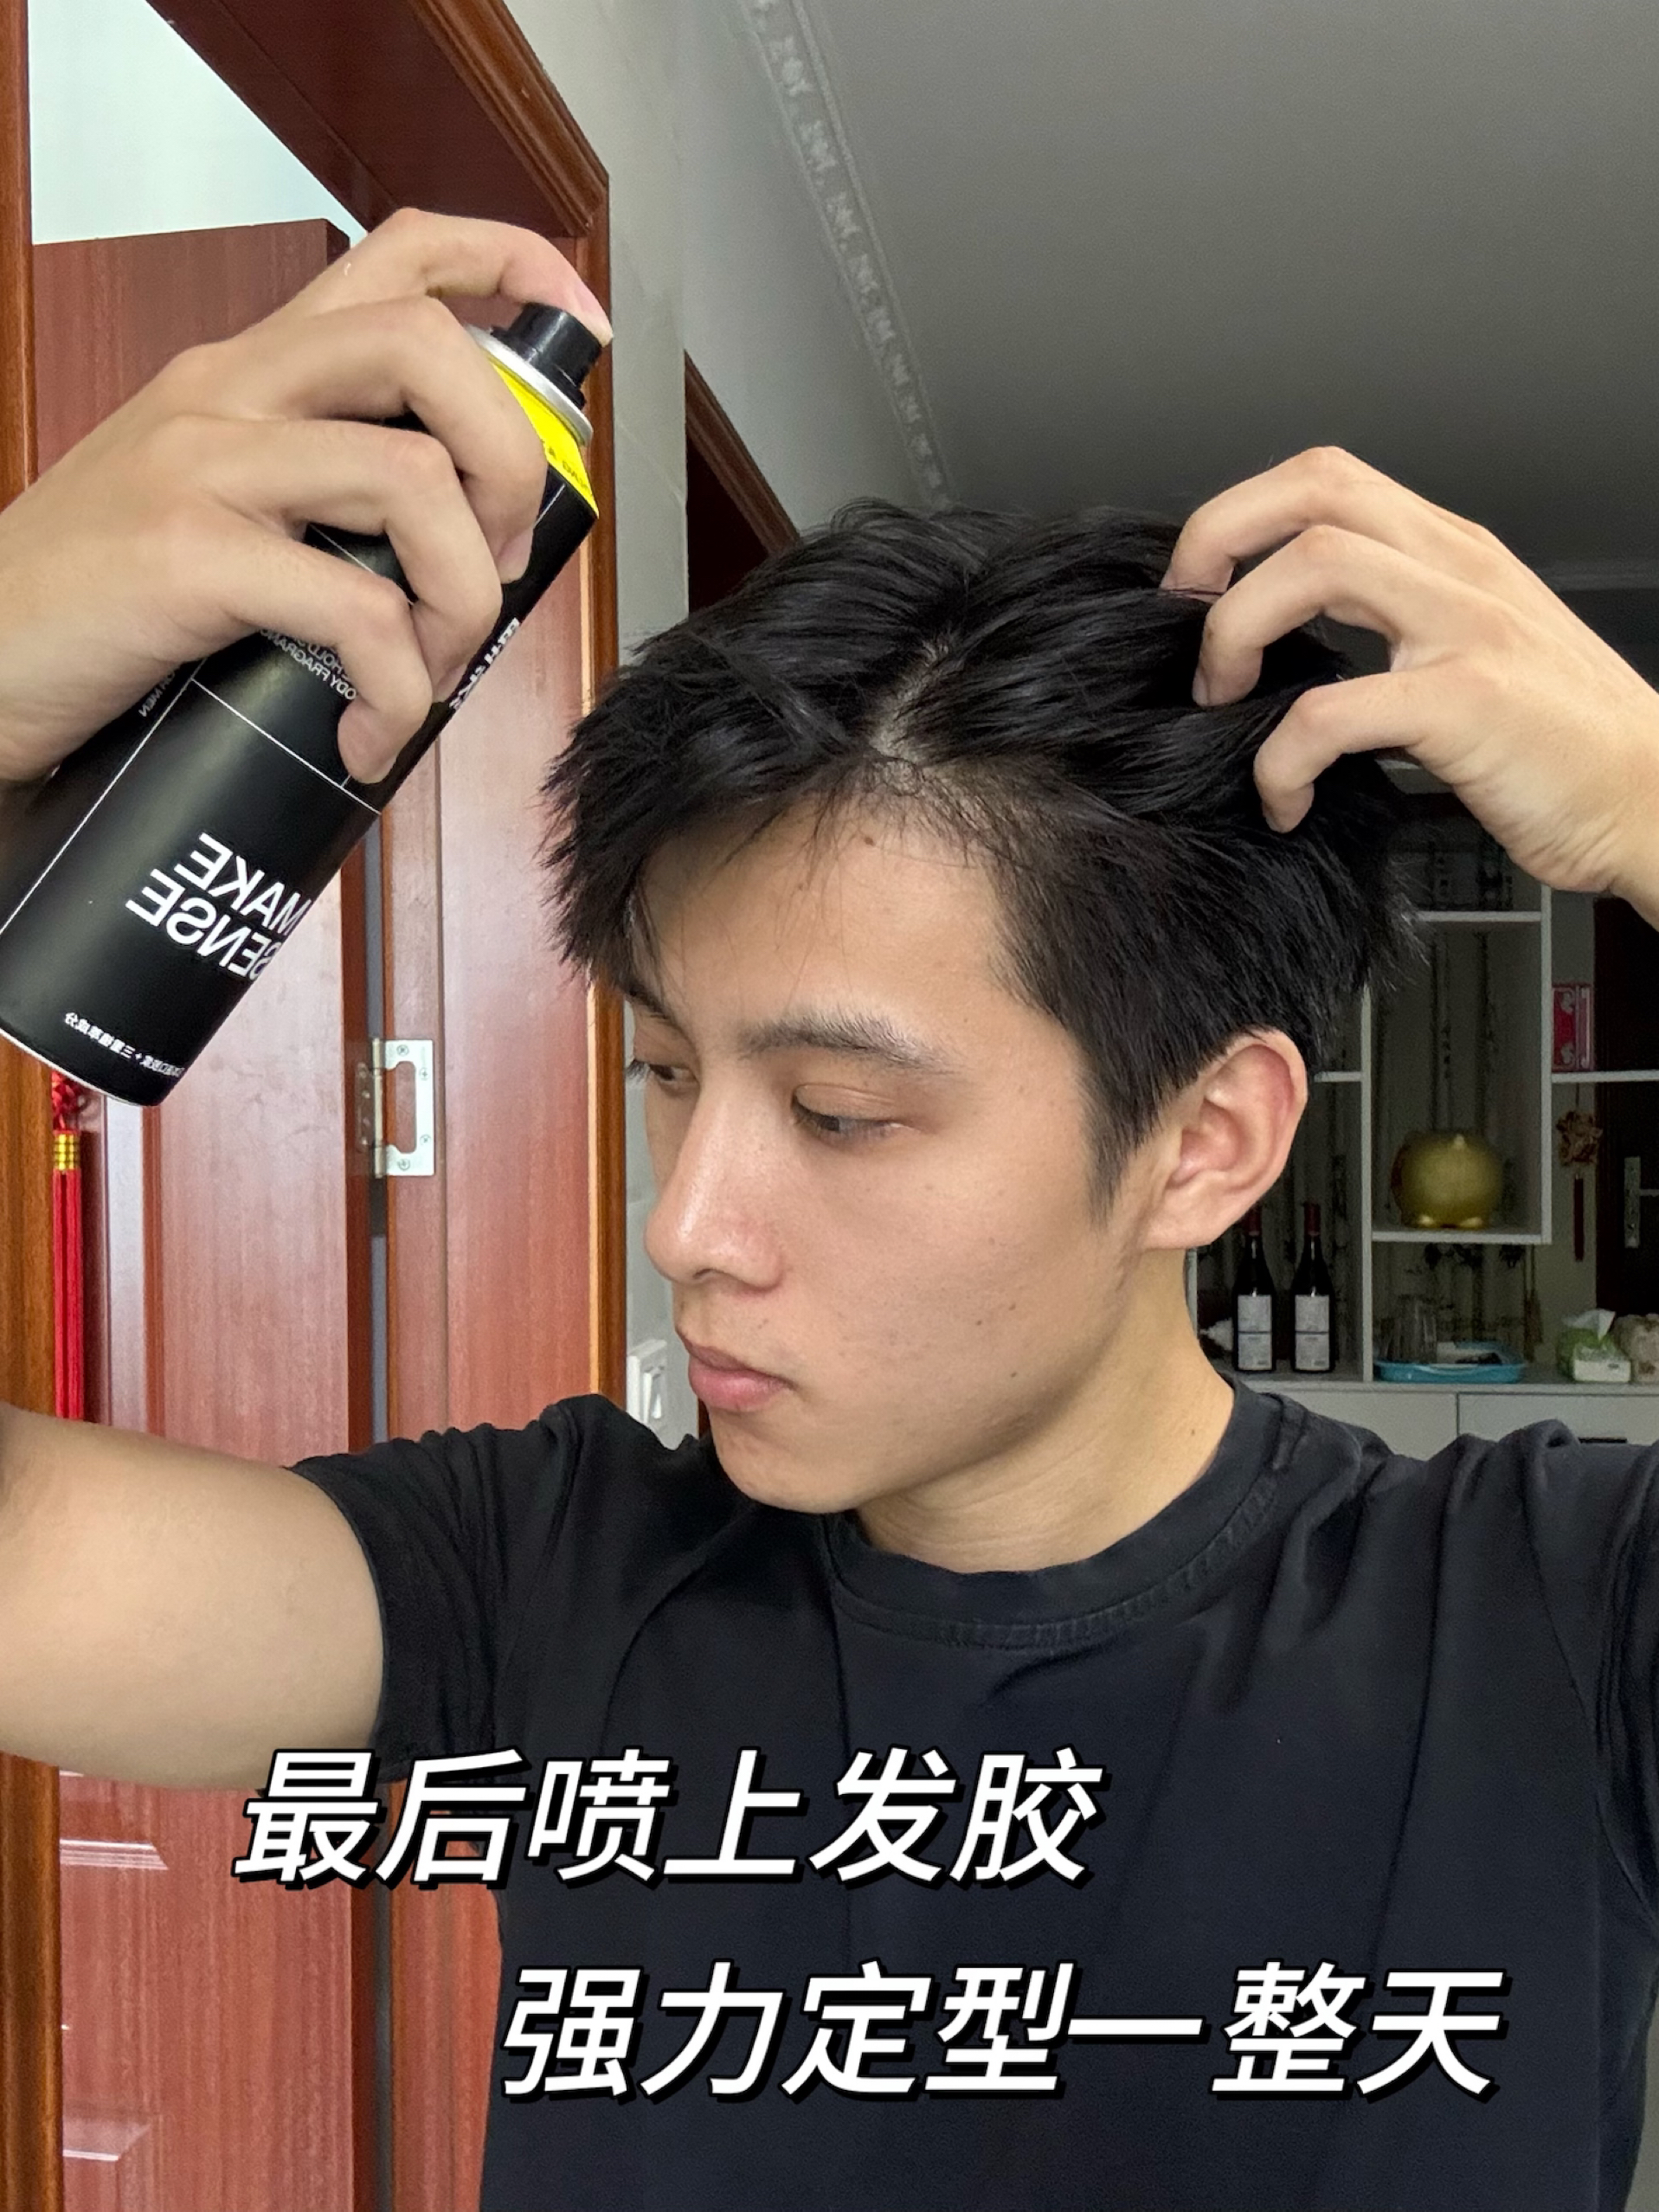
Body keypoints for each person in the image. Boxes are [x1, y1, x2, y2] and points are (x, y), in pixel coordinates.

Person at [3, 208, 1659, 2212]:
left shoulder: (1558, 1615)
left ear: (1204, 1144)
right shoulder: (555, 1580)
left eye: (842, 1113)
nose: (689, 1224)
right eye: (664, 1074)